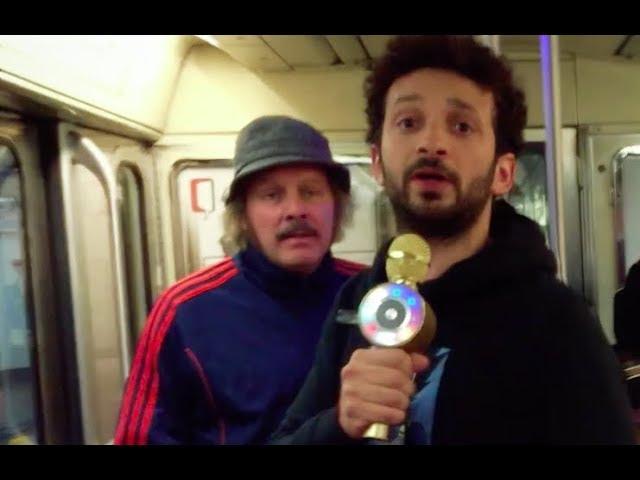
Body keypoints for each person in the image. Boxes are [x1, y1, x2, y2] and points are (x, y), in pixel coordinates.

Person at [270, 35, 636, 444]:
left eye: (462, 126)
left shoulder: (558, 322)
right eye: (408, 122)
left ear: (503, 173)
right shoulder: (357, 300)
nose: (432, 143)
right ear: (377, 162)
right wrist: (338, 423)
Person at [114, 115, 364, 444]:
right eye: (271, 195)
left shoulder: (371, 293)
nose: (295, 209)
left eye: (310, 192)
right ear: (243, 215)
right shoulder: (184, 311)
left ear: (337, 207)